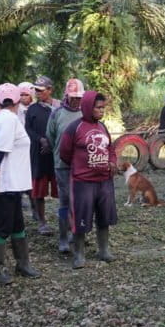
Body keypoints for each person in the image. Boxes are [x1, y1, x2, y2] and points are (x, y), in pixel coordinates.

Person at [0, 83, 40, 285]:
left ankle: (22, 264)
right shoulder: (8, 119)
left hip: (13, 183)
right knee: (3, 227)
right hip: (4, 184)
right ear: (16, 100)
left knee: (17, 225)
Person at [58, 91, 118, 268]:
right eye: (98, 108)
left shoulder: (103, 127)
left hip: (104, 181)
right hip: (82, 181)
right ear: (88, 107)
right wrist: (83, 166)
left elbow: (111, 149)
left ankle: (104, 250)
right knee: (80, 218)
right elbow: (64, 153)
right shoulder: (74, 128)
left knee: (104, 215)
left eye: (103, 107)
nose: (102, 111)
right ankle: (79, 254)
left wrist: (112, 162)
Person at [46, 78, 85, 252]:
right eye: (73, 97)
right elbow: (51, 136)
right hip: (62, 164)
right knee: (64, 200)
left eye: (79, 97)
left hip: (82, 165)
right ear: (66, 96)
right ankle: (62, 237)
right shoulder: (57, 113)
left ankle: (75, 233)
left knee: (79, 200)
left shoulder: (86, 113)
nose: (76, 100)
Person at [26, 76, 59, 234]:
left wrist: (51, 142)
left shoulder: (59, 107)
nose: (37, 93)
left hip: (57, 155)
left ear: (50, 90)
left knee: (62, 188)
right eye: (36, 90)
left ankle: (66, 219)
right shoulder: (32, 109)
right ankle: (42, 222)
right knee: (39, 190)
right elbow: (28, 129)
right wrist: (41, 140)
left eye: (41, 90)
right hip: (38, 154)